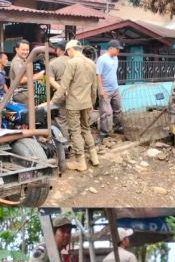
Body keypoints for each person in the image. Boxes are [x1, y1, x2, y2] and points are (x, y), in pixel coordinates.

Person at [52, 40, 98, 172]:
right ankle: (94, 157)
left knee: (76, 131)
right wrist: (92, 103)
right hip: (87, 103)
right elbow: (94, 87)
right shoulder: (91, 63)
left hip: (73, 104)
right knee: (86, 128)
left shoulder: (72, 63)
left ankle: (81, 162)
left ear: (71, 50)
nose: (68, 54)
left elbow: (64, 86)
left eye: (68, 52)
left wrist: (54, 101)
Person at [96, 39, 123, 139]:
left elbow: (113, 73)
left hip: (115, 88)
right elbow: (98, 76)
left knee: (118, 109)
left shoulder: (115, 58)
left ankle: (118, 127)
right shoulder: (102, 59)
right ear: (111, 48)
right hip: (105, 90)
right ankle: (104, 132)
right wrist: (101, 90)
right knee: (105, 113)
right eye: (117, 49)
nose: (118, 51)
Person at [46, 41, 70, 140]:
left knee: (62, 120)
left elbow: (50, 81)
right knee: (74, 118)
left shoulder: (53, 63)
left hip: (62, 95)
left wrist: (62, 90)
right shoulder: (74, 61)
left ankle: (65, 143)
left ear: (59, 50)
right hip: (77, 94)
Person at [8, 39, 44, 104]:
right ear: (17, 50)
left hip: (26, 90)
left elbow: (28, 76)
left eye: (27, 50)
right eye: (23, 50)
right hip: (20, 93)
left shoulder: (24, 60)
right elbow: (21, 80)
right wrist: (37, 77)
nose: (25, 52)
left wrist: (38, 75)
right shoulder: (17, 62)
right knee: (37, 105)